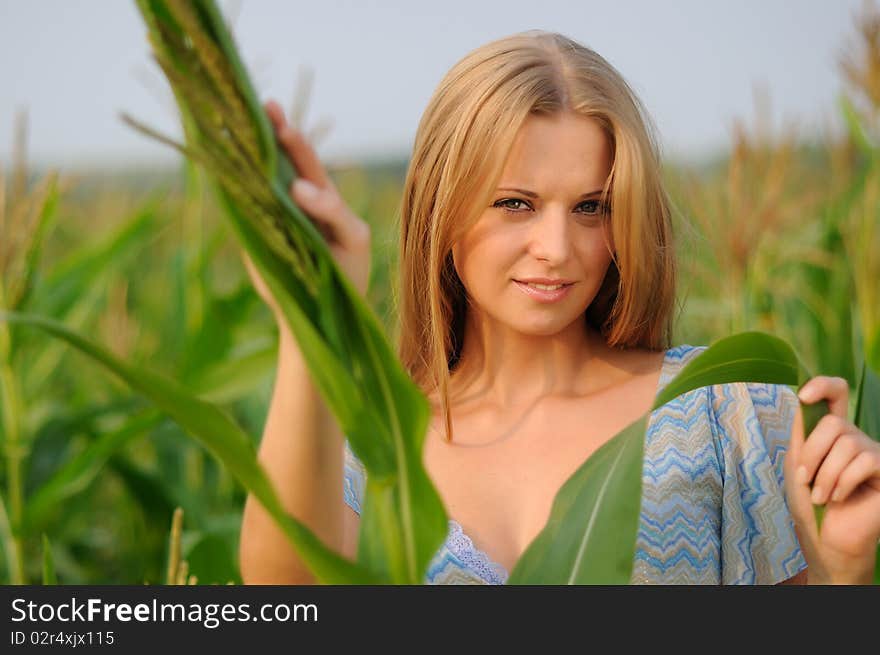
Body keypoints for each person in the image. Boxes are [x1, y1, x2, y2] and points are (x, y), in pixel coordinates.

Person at [238, 30, 880, 585]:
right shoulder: (368, 451)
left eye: (591, 207)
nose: (556, 248)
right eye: (514, 203)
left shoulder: (728, 409)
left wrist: (842, 571)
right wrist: (312, 315)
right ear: (441, 212)